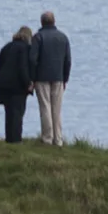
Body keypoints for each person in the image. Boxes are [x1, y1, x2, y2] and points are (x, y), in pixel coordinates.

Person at [30, 10, 71, 145]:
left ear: (42, 22)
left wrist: (32, 77)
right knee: (56, 108)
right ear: (54, 21)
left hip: (41, 77)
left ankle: (47, 137)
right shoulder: (63, 37)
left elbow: (32, 59)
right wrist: (65, 78)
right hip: (58, 77)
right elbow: (68, 60)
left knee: (45, 106)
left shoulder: (38, 37)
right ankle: (58, 139)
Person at [0, 25, 33, 144]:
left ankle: (9, 138)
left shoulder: (6, 47)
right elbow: (23, 68)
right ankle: (16, 139)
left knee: (9, 113)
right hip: (18, 86)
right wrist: (28, 83)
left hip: (4, 85)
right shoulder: (25, 48)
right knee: (17, 113)